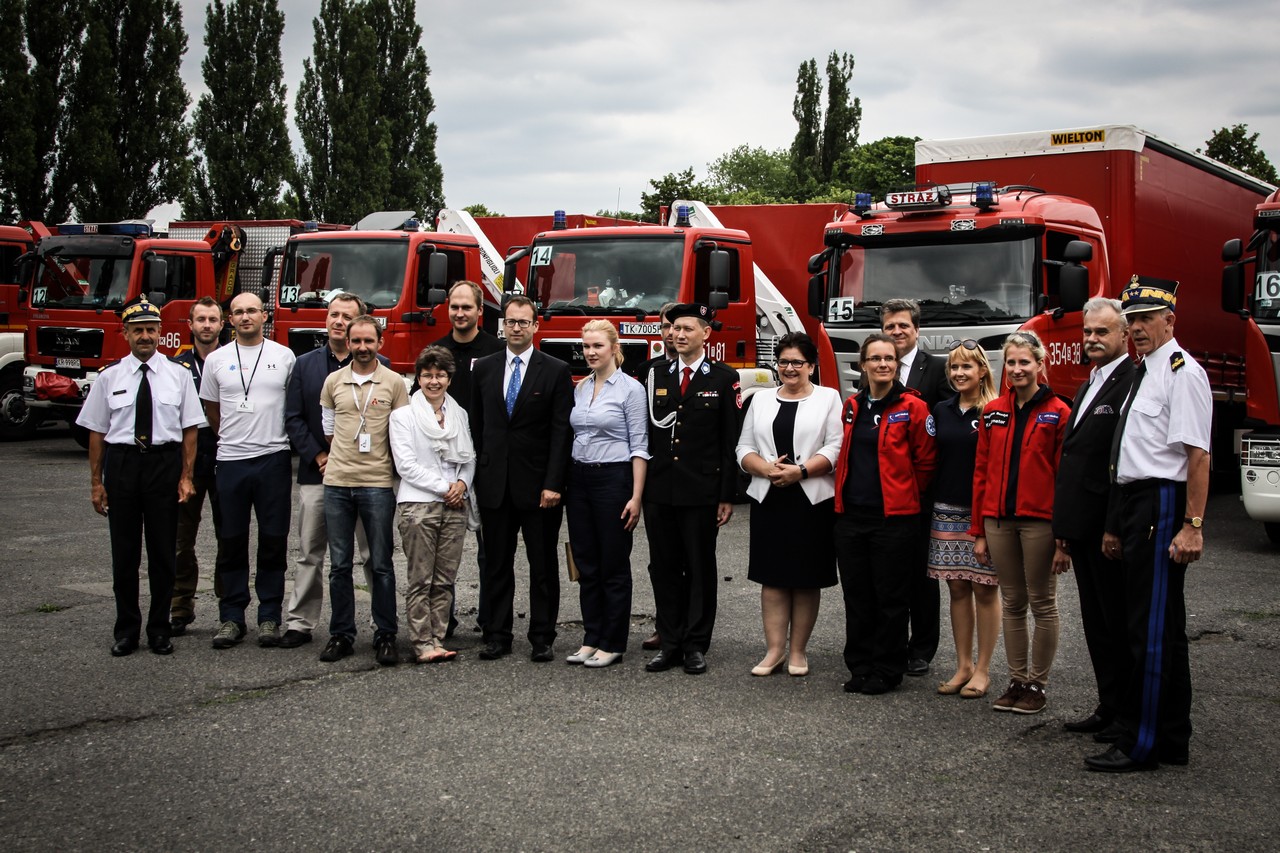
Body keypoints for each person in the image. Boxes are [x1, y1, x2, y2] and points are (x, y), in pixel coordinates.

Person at [1085, 278, 1210, 773]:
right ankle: (1172, 737)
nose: (1136, 328)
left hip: (1161, 504)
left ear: (1170, 321)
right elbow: (1128, 454)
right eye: (1132, 320)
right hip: (1135, 503)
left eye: (1146, 319)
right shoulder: (1146, 370)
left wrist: (1192, 524)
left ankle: (1143, 742)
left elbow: (1197, 457)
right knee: (1161, 625)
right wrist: (1117, 523)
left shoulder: (1182, 372)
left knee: (1150, 630)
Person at [77, 297, 204, 656]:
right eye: (137, 331)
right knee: (125, 554)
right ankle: (127, 630)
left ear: (160, 332)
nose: (145, 336)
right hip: (123, 465)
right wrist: (97, 483)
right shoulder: (109, 377)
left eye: (150, 329)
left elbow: (190, 431)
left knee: (163, 553)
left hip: (163, 465)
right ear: (126, 334)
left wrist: (186, 477)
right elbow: (97, 432)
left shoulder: (179, 375)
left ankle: (159, 629)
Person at [971, 331, 1071, 715]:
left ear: (1040, 364)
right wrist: (979, 531)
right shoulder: (993, 411)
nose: (1016, 369)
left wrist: (1063, 538)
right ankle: (1016, 681)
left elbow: (1065, 477)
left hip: (1039, 523)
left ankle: (1037, 685)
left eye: (1024, 362)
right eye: (1011, 362)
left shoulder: (1059, 411)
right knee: (1012, 602)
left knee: (1042, 603)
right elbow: (981, 471)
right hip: (998, 522)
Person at [470, 295, 574, 662]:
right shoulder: (484, 368)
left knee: (542, 565)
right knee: (496, 564)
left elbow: (562, 432)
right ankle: (497, 635)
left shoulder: (555, 370)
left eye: (523, 322)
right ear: (503, 325)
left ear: (535, 326)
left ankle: (542, 636)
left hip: (539, 488)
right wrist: (480, 475)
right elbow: (478, 426)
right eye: (510, 322)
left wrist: (554, 483)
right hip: (494, 485)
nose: (516, 328)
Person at [832, 333, 937, 695]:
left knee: (891, 598)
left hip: (894, 519)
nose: (882, 364)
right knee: (857, 595)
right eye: (875, 358)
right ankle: (860, 665)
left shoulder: (914, 407)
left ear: (896, 364)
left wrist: (904, 496)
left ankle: (888, 668)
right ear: (863, 365)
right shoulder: (852, 405)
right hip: (851, 517)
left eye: (889, 359)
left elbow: (926, 463)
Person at [642, 303, 742, 675]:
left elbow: (730, 440)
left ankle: (696, 644)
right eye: (674, 328)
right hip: (660, 488)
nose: (678, 334)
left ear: (706, 333)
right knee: (664, 567)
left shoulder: (723, 377)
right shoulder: (654, 373)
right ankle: (670, 643)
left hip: (701, 489)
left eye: (687, 328)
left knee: (699, 567)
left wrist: (727, 494)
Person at [736, 332, 842, 678]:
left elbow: (836, 447)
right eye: (783, 362)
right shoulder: (761, 400)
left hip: (810, 499)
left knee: (806, 578)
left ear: (811, 365)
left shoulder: (829, 398)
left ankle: (798, 651)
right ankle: (774, 651)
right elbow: (744, 448)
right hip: (770, 497)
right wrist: (765, 469)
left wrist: (801, 471)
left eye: (798, 362)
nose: (790, 368)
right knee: (773, 578)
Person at [1053, 299, 1136, 739]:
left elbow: (1120, 462)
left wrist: (1112, 526)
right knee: (1096, 624)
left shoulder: (1131, 382)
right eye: (1088, 332)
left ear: (1124, 335)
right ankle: (1109, 703)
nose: (1092, 339)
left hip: (1107, 527)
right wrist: (1065, 529)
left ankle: (1127, 713)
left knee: (1116, 622)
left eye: (1102, 332)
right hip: (1081, 525)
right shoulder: (1090, 383)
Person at [280, 293, 381, 649]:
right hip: (318, 474)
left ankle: (382, 622)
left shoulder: (379, 366)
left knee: (372, 554)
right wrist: (318, 456)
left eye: (346, 317)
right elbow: (293, 418)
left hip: (366, 476)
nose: (338, 321)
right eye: (333, 314)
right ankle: (300, 622)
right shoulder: (304, 365)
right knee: (310, 551)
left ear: (360, 323)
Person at [200, 292, 296, 650]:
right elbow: (211, 408)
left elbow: (292, 404)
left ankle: (269, 616)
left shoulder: (284, 357)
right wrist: (232, 437)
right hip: (230, 461)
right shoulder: (217, 360)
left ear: (264, 316)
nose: (245, 317)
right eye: (238, 312)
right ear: (230, 319)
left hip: (273, 458)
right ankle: (231, 617)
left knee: (273, 540)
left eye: (252, 311)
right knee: (231, 541)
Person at [318, 315, 410, 665]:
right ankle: (341, 634)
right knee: (339, 565)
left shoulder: (394, 383)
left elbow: (401, 432)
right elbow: (329, 429)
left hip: (377, 483)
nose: (362, 347)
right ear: (347, 343)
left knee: (381, 564)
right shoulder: (333, 381)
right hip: (338, 483)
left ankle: (386, 634)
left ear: (380, 343)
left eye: (368, 341)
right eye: (356, 341)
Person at [563, 320, 649, 668]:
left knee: (613, 562)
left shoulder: (631, 390)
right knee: (586, 562)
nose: (590, 352)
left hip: (613, 479)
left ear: (614, 348)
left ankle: (612, 642)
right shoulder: (582, 387)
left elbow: (639, 445)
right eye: (586, 346)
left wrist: (636, 496)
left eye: (597, 346)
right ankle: (591, 637)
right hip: (579, 479)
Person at [389, 346, 476, 663]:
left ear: (449, 379)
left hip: (455, 505)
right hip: (419, 505)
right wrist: (445, 488)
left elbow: (469, 457)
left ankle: (438, 638)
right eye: (427, 375)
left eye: (440, 375)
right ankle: (422, 642)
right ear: (418, 377)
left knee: (444, 579)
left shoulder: (459, 414)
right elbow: (406, 465)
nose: (434, 381)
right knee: (421, 579)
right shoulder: (403, 416)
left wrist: (462, 484)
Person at [881, 298, 950, 676]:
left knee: (922, 573)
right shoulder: (876, 367)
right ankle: (890, 641)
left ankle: (922, 647)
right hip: (885, 491)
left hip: (923, 490)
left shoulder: (937, 368)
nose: (896, 332)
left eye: (903, 326)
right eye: (889, 326)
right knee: (890, 572)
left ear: (917, 330)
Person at [928, 340, 1000, 699]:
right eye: (954, 367)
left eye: (966, 366)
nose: (959, 373)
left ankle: (983, 670)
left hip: (982, 512)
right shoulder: (941, 410)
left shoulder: (996, 410)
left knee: (984, 590)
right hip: (946, 510)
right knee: (956, 588)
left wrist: (987, 520)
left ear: (982, 371)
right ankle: (963, 666)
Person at [432, 281, 505, 636]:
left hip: (486, 463)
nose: (460, 313)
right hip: (444, 466)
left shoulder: (496, 351)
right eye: (455, 307)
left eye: (467, 307)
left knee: (489, 550)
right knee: (443, 550)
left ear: (479, 310)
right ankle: (442, 621)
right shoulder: (436, 351)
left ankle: (490, 621)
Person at [169, 297, 225, 635]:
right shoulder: (175, 368)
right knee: (180, 538)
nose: (207, 325)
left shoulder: (232, 362)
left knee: (228, 535)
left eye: (212, 319)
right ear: (190, 325)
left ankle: (228, 607)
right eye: (201, 319)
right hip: (187, 457)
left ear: (222, 324)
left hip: (225, 454)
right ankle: (180, 606)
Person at [636, 301, 678, 652]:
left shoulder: (716, 375)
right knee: (661, 562)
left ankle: (691, 632)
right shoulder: (648, 371)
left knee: (693, 563)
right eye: (665, 326)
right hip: (657, 481)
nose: (671, 333)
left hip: (694, 484)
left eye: (678, 326)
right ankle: (665, 628)